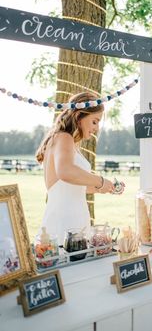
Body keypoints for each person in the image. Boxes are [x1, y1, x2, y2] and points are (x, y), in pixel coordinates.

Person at [36, 92, 123, 245]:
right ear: (79, 116)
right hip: (64, 222)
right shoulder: (64, 137)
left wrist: (101, 188)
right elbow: (66, 172)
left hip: (73, 220)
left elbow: (68, 187)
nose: (96, 128)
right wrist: (100, 180)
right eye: (95, 121)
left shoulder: (68, 142)